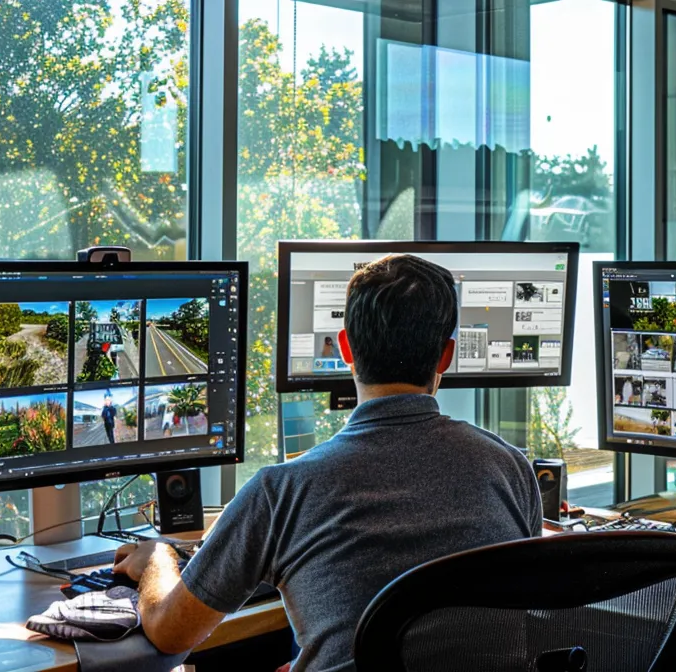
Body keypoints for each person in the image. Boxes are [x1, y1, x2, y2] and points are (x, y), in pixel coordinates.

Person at [111, 255, 542, 670]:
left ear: (345, 348)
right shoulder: (510, 469)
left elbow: (169, 633)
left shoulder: (283, 491)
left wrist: (157, 559)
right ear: (446, 356)